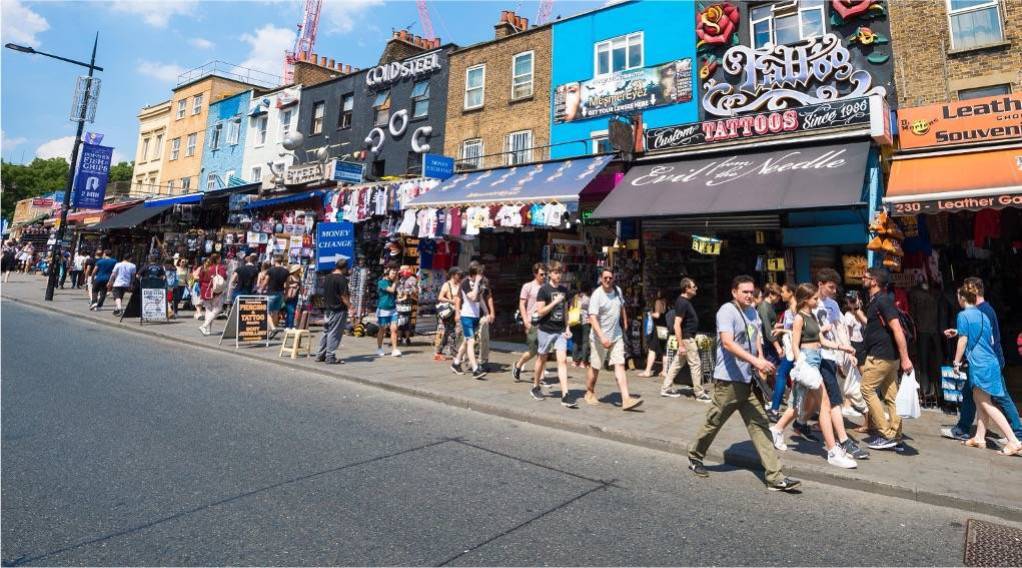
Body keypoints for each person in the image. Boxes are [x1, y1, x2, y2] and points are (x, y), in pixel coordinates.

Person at [687, 275, 801, 492]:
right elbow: (728, 343)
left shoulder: (752, 312)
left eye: (751, 291)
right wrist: (756, 360)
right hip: (728, 382)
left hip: (748, 380)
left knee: (759, 425)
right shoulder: (726, 311)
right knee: (714, 422)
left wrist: (760, 360)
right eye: (745, 292)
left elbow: (755, 336)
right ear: (734, 292)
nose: (749, 295)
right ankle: (695, 456)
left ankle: (775, 477)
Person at [784, 284, 862, 468]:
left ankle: (780, 430)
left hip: (816, 360)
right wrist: (800, 364)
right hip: (807, 363)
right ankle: (833, 450)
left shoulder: (811, 316)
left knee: (804, 403)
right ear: (805, 300)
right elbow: (795, 344)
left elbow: (823, 341)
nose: (818, 301)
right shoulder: (799, 318)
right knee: (822, 404)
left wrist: (844, 347)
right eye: (815, 299)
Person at [942, 277, 1022, 443]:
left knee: (992, 399)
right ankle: (978, 435)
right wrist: (959, 332)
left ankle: (1015, 437)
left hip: (984, 362)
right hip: (988, 360)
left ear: (974, 291)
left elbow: (973, 338)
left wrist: (957, 360)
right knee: (978, 397)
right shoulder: (982, 311)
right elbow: (980, 332)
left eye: (966, 288)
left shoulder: (981, 311)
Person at [853, 267, 913, 450]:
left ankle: (886, 434)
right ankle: (896, 435)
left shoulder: (883, 300)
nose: (862, 278)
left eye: (865, 276)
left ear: (874, 281)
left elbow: (897, 329)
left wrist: (905, 358)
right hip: (887, 357)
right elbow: (875, 326)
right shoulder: (877, 301)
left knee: (866, 390)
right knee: (891, 396)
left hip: (881, 356)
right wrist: (857, 311)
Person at [812, 270, 869, 460]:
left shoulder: (833, 305)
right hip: (813, 357)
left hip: (829, 356)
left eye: (835, 288)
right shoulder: (809, 303)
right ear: (820, 284)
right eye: (830, 287)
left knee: (830, 400)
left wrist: (847, 349)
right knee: (827, 401)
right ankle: (839, 443)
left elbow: (840, 328)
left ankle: (839, 442)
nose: (833, 291)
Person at [585, 268, 643, 411]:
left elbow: (621, 306)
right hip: (599, 337)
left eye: (610, 277)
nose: (608, 280)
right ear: (601, 278)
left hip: (616, 336)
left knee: (620, 364)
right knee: (595, 367)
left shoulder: (617, 290)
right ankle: (589, 391)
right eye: (605, 278)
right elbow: (592, 317)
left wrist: (624, 321)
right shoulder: (597, 295)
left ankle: (626, 399)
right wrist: (602, 336)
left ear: (614, 278)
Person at [531, 261, 576, 407]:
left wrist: (567, 327)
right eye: (556, 273)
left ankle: (565, 394)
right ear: (550, 273)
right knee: (541, 358)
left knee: (562, 361)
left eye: (560, 273)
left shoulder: (564, 290)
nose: (558, 275)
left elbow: (566, 311)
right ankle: (536, 386)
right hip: (545, 329)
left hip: (560, 331)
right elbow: (540, 311)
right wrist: (554, 302)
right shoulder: (543, 290)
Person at [663, 278, 709, 401]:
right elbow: (677, 324)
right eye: (693, 286)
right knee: (696, 364)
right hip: (687, 339)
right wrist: (681, 344)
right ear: (687, 288)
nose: (696, 288)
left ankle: (666, 388)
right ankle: (699, 393)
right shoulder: (683, 302)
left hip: (686, 338)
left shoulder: (684, 301)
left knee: (677, 364)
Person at [511, 263, 547, 382]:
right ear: (535, 274)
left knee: (543, 350)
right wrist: (526, 320)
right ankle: (518, 365)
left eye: (545, 274)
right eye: (541, 274)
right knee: (533, 350)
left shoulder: (546, 287)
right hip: (532, 321)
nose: (544, 276)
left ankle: (540, 377)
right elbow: (522, 304)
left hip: (544, 322)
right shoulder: (528, 286)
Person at [451, 262, 485, 379]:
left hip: (475, 316)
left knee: (466, 341)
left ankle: (456, 363)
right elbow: (472, 296)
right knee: (471, 342)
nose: (481, 276)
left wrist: (487, 312)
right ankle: (476, 369)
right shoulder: (465, 283)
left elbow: (479, 298)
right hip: (466, 316)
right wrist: (476, 283)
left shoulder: (478, 283)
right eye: (479, 274)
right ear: (474, 273)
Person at [316, 259, 351, 365]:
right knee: (334, 332)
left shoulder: (327, 277)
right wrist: (350, 306)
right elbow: (344, 296)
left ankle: (320, 354)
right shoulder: (342, 279)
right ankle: (330, 356)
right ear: (344, 268)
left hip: (328, 309)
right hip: (338, 309)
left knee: (326, 331)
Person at [434, 268, 462, 361]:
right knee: (451, 331)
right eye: (458, 274)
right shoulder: (447, 284)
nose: (459, 276)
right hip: (448, 312)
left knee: (451, 331)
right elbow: (440, 297)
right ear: (453, 275)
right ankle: (453, 352)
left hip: (457, 311)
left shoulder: (460, 284)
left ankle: (439, 350)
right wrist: (450, 300)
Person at [195, 253, 227, 336]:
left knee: (208, 309)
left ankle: (208, 330)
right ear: (217, 259)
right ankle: (204, 326)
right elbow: (224, 277)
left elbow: (200, 280)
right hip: (215, 290)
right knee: (217, 309)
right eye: (220, 258)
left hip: (204, 290)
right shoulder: (220, 267)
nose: (221, 260)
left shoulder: (205, 267)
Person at [259, 256, 290, 336]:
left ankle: (273, 328)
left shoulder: (271, 270)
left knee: (267, 312)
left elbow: (266, 281)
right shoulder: (286, 271)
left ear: (274, 261)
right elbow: (287, 284)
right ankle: (272, 330)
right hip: (280, 293)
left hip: (271, 293)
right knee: (275, 312)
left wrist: (261, 290)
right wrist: (286, 294)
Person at [375, 265, 402, 357]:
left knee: (394, 329)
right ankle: (379, 348)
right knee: (382, 329)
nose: (394, 275)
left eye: (396, 273)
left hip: (393, 309)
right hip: (383, 309)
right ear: (387, 273)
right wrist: (395, 283)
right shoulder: (382, 282)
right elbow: (391, 290)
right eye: (393, 273)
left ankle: (394, 349)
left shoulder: (393, 282)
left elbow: (397, 292)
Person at [639, 296, 668, 378]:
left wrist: (650, 314)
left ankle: (647, 371)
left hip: (657, 329)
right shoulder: (665, 302)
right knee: (664, 351)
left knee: (652, 350)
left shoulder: (658, 301)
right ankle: (664, 371)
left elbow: (657, 315)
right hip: (664, 329)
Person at [476, 264, 496, 371]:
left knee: (484, 337)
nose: (481, 275)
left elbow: (488, 297)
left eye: (482, 273)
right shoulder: (467, 281)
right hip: (469, 314)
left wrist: (491, 312)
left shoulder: (485, 281)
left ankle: (483, 361)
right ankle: (461, 360)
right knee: (469, 340)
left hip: (482, 314)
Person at [570, 282, 592, 369]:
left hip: (575, 321)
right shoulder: (588, 299)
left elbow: (570, 307)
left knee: (576, 341)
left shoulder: (575, 297)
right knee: (585, 342)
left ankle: (575, 361)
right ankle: (583, 362)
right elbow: (591, 311)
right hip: (585, 321)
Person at [283, 265, 303, 329]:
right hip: (289, 296)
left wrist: (302, 291)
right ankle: (290, 326)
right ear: (296, 270)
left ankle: (287, 325)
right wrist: (293, 286)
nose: (300, 271)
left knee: (292, 310)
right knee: (291, 311)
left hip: (296, 296)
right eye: (299, 269)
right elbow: (285, 286)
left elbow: (301, 286)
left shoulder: (299, 277)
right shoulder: (290, 277)